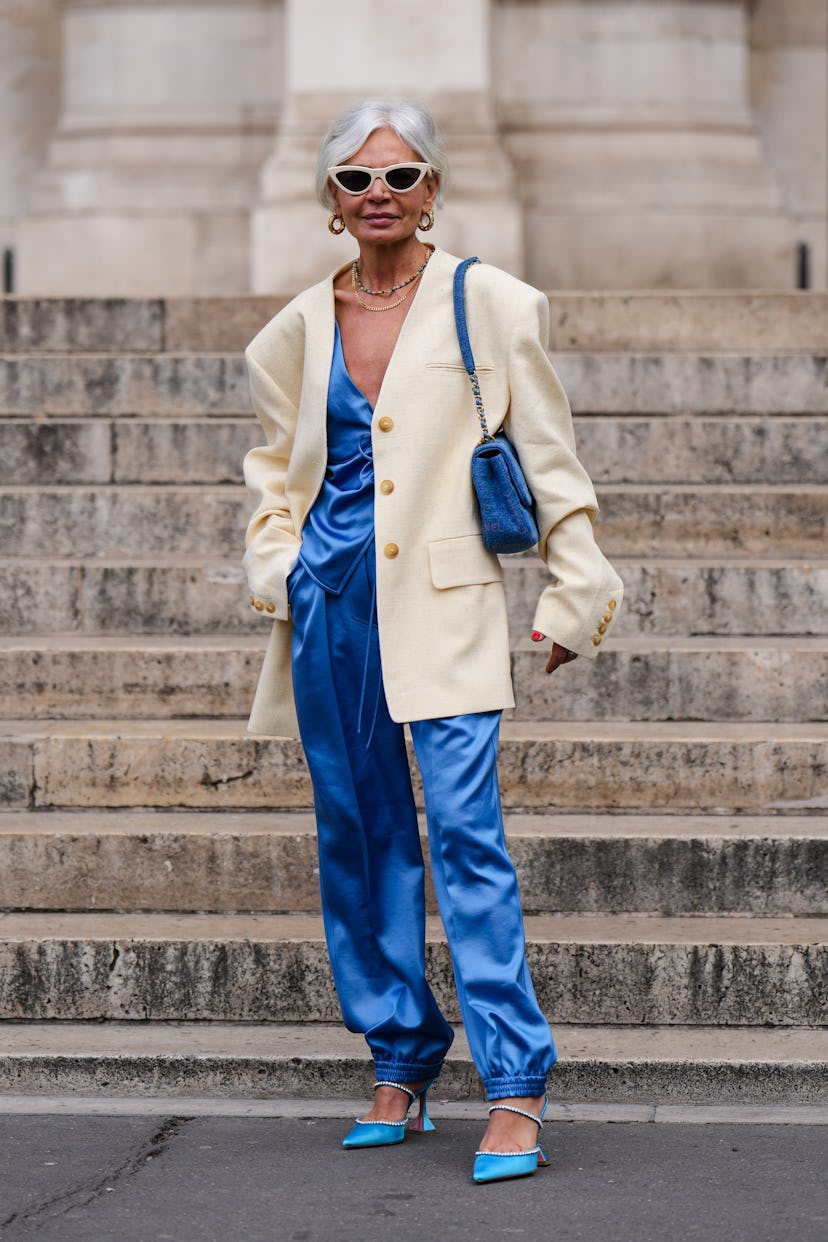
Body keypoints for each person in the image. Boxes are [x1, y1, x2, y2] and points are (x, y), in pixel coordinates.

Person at [242, 99, 623, 1184]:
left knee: (465, 839)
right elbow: (274, 472)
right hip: (331, 604)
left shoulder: (489, 303)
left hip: (446, 601)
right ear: (329, 199)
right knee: (359, 841)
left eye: (401, 176)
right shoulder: (293, 332)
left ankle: (514, 1087)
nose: (379, 195)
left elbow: (550, 456)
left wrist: (574, 587)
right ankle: (400, 1061)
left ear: (434, 190)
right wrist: (280, 565)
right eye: (357, 180)